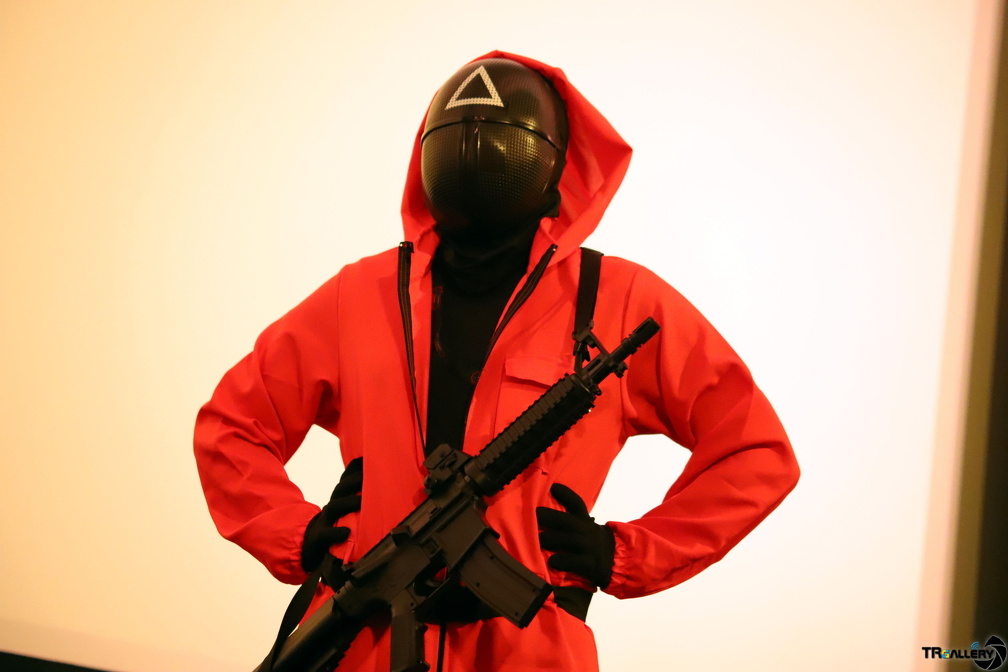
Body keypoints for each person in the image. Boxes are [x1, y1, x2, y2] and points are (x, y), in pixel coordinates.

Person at [194, 51, 800, 672]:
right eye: (462, 137)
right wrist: (296, 534)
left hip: (528, 647)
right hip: (365, 639)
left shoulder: (618, 302)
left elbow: (754, 452)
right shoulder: (363, 294)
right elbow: (232, 427)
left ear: (557, 164)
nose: (480, 154)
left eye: (504, 141)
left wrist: (624, 553)